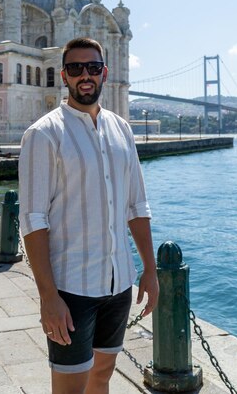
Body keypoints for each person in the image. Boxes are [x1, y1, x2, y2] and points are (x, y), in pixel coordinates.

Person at [19, 37, 159, 394]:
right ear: (63, 75)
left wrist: (150, 270)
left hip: (118, 283)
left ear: (104, 74)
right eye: (76, 68)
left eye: (93, 68)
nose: (86, 75)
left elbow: (136, 206)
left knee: (102, 375)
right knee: (70, 388)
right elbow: (34, 221)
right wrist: (48, 297)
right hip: (71, 288)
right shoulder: (43, 134)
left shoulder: (121, 129)